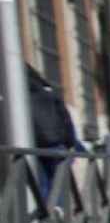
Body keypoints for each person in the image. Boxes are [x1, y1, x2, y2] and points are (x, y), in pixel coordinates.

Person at [27, 68, 80, 201]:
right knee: (58, 184)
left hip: (35, 144)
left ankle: (45, 213)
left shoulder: (18, 95)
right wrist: (70, 143)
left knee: (41, 183)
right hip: (56, 143)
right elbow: (66, 119)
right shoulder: (48, 91)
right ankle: (57, 211)